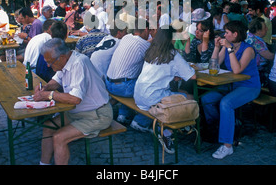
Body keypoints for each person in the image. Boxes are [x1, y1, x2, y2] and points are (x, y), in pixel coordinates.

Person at [33, 38, 112, 165]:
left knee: (59, 137)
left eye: (50, 62)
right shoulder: (64, 62)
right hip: (77, 112)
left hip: (98, 114)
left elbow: (75, 99)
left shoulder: (79, 63)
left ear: (62, 57)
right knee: (48, 127)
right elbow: (56, 80)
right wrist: (45, 88)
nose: (48, 65)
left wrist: (49, 95)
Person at [201, 20, 261, 159]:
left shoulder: (248, 49)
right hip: (232, 84)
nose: (224, 35)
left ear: (235, 34)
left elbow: (237, 69)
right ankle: (220, 126)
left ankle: (227, 145)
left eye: (227, 32)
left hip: (249, 86)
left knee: (226, 103)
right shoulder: (229, 46)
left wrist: (229, 49)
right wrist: (216, 48)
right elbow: (214, 65)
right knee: (206, 99)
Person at [134, 26, 196, 154]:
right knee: (190, 98)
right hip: (154, 98)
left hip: (139, 96)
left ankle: (174, 126)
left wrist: (173, 75)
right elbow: (192, 76)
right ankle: (168, 132)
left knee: (182, 94)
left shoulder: (151, 51)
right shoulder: (173, 54)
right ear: (171, 39)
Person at [105, 19, 151, 132]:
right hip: (122, 87)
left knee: (132, 77)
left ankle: (123, 114)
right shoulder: (143, 44)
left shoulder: (126, 37)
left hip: (108, 84)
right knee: (152, 88)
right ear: (146, 30)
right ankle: (141, 121)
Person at [246, 17, 275, 87]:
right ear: (258, 31)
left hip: (248, 69)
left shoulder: (248, 35)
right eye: (265, 28)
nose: (267, 29)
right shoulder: (256, 41)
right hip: (258, 71)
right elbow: (269, 56)